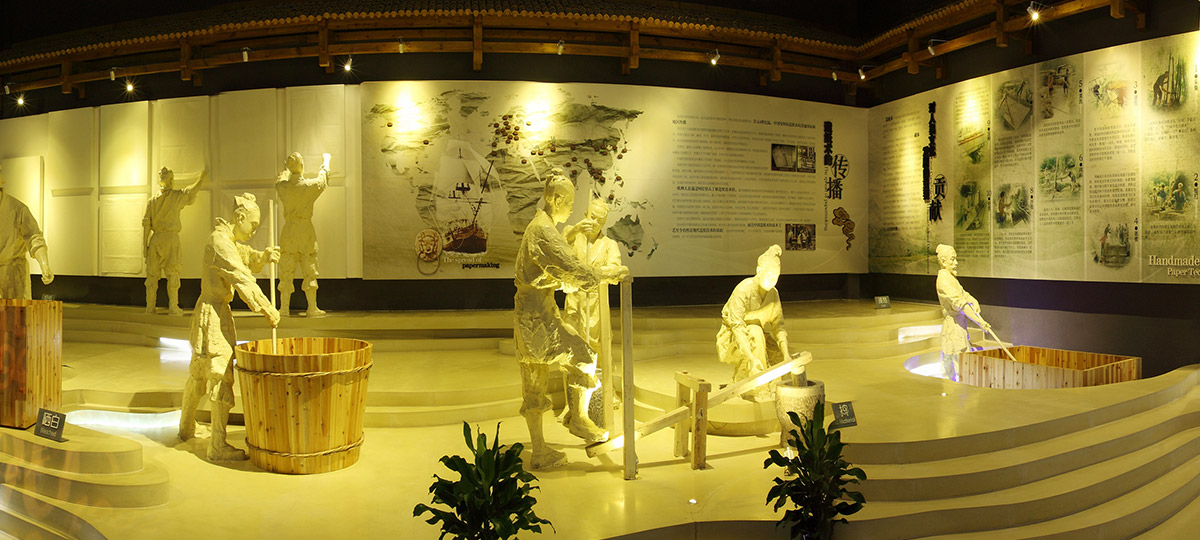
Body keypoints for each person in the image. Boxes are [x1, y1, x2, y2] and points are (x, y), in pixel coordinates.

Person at [514, 172, 615, 469]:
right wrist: (602, 276)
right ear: (556, 200)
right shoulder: (543, 230)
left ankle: (542, 449)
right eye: (569, 203)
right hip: (538, 319)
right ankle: (577, 420)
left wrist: (568, 281)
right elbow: (569, 266)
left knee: (535, 384)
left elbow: (553, 272)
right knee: (584, 357)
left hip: (532, 314)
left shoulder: (542, 227)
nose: (571, 210)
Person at [179, 193, 280, 461]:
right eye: (253, 225)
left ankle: (186, 426)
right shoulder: (219, 242)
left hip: (213, 311)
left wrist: (263, 256)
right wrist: (267, 308)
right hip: (213, 314)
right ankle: (217, 446)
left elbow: (244, 255)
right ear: (240, 217)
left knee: (199, 372)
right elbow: (241, 276)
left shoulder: (226, 239)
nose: (254, 231)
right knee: (220, 374)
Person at [716, 245, 790, 402]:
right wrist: (750, 357)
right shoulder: (743, 289)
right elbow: (736, 326)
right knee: (755, 334)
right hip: (734, 338)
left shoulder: (773, 294)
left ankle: (775, 388)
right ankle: (757, 388)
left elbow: (779, 326)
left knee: (777, 356)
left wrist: (786, 354)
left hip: (758, 335)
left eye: (776, 276)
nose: (772, 280)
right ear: (759, 271)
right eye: (769, 275)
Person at [143, 167, 207, 315]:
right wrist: (201, 179)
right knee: (171, 273)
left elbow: (146, 225)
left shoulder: (154, 200)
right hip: (168, 239)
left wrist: (144, 245)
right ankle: (167, 306)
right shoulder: (170, 198)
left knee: (155, 275)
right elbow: (191, 191)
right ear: (166, 181)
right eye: (170, 179)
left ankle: (153, 307)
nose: (172, 181)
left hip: (157, 239)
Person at [276, 152, 328, 317]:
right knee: (309, 269)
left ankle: (284, 308)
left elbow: (280, 179)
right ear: (302, 166)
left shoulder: (282, 187)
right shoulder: (309, 186)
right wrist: (326, 161)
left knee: (286, 270)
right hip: (305, 231)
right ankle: (312, 308)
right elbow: (323, 180)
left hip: (289, 231)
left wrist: (287, 171)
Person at [935, 244, 990, 381]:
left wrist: (973, 300)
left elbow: (963, 294)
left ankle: (956, 384)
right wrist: (980, 322)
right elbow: (960, 304)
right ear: (943, 261)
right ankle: (956, 386)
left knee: (957, 359)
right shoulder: (943, 280)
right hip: (953, 327)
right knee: (957, 359)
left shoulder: (950, 277)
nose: (956, 263)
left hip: (958, 325)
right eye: (952, 259)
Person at [0, 164, 53, 299]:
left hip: (14, 275)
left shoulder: (18, 209)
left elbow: (34, 238)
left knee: (17, 311)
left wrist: (44, 265)